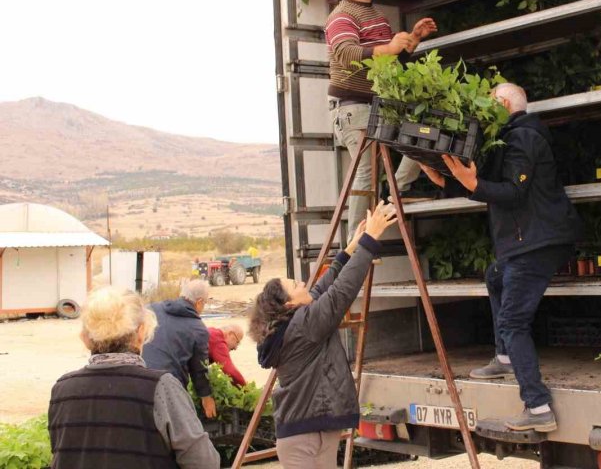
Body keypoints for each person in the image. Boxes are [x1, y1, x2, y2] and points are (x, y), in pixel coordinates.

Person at [419, 83, 580, 432]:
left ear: (504, 103)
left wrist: (472, 186)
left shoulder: (523, 138)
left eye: (489, 100)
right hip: (523, 243)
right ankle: (506, 357)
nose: (482, 106)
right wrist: (447, 182)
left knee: (513, 323)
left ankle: (538, 408)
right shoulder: (506, 138)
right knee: (494, 277)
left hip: (536, 243)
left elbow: (514, 190)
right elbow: (484, 181)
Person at [249, 201, 397, 469]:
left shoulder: (296, 321)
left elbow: (320, 291)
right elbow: (340, 294)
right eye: (295, 285)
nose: (303, 282)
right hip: (302, 440)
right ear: (289, 305)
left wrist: (349, 251)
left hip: (311, 434)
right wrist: (370, 241)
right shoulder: (303, 325)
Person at [325, 0, 439, 231]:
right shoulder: (342, 16)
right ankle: (354, 248)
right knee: (365, 173)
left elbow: (388, 62)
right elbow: (346, 53)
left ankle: (391, 198)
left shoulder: (376, 17)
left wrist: (412, 39)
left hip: (379, 106)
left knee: (421, 137)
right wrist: (389, 48)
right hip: (353, 107)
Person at [48, 286, 219, 469]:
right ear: (141, 333)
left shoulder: (62, 390)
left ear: (85, 338)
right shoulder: (161, 387)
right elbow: (204, 462)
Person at [142, 279, 216, 418]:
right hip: (168, 389)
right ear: (199, 302)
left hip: (138, 378)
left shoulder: (152, 309)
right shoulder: (198, 329)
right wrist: (206, 397)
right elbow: (199, 370)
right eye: (205, 303)